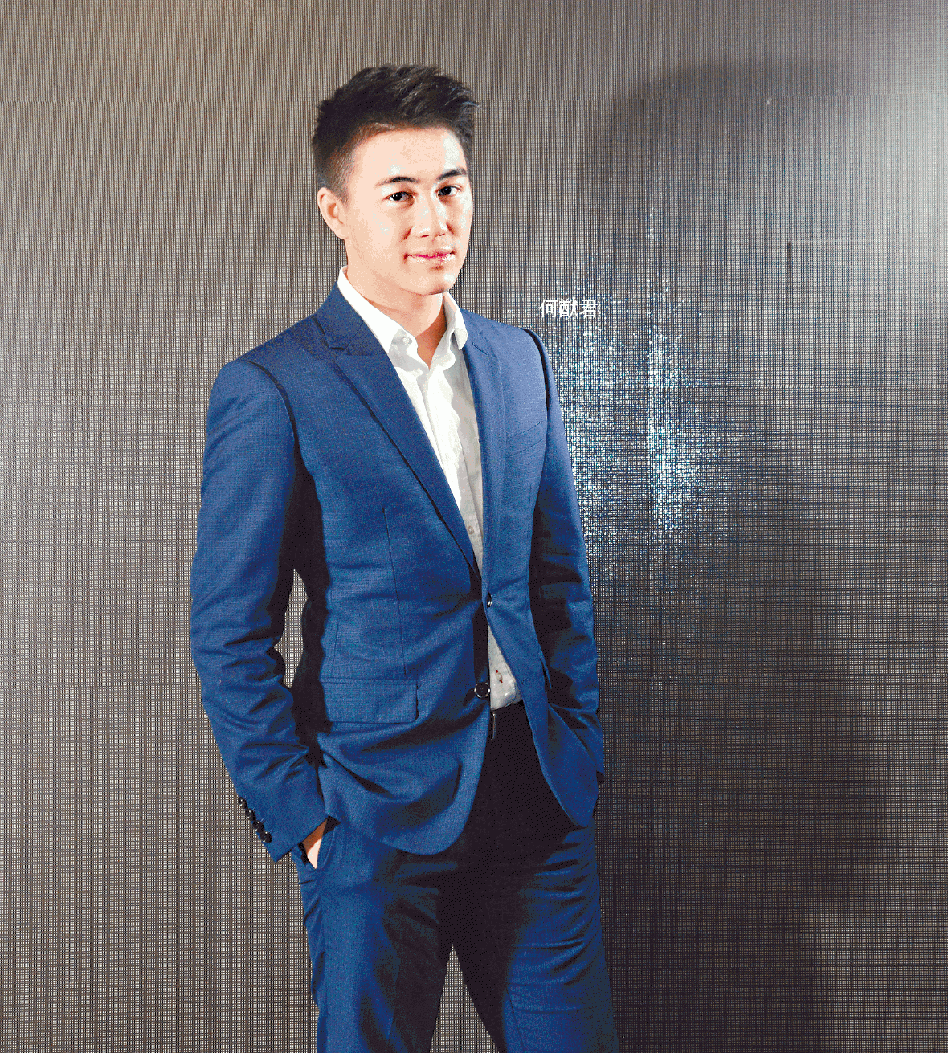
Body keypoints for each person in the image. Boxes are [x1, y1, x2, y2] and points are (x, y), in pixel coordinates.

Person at [190, 64, 617, 1053]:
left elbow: (556, 577)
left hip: (536, 798)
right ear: (335, 210)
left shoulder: (518, 362)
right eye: (400, 194)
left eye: (451, 187)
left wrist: (577, 737)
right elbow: (228, 633)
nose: (435, 219)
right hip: (371, 822)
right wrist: (308, 821)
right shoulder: (274, 387)